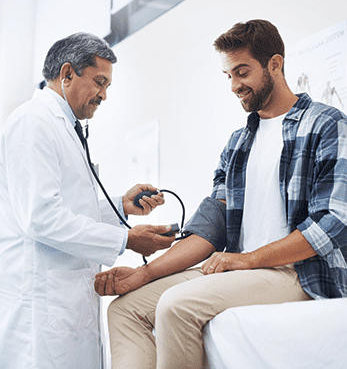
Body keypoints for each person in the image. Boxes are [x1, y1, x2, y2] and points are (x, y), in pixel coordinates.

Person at [94, 20, 347, 369]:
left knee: (175, 305)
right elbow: (212, 229)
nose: (234, 85)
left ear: (275, 64)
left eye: (241, 72)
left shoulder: (326, 124)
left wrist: (247, 259)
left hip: (297, 272)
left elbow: (332, 223)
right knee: (125, 310)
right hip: (242, 268)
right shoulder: (238, 144)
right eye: (228, 75)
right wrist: (143, 274)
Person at [0, 32, 176, 369]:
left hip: (65, 303)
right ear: (67, 74)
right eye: (99, 82)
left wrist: (121, 205)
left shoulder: (64, 126)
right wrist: (126, 239)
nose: (104, 95)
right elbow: (41, 218)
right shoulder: (33, 124)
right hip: (39, 312)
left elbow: (69, 210)